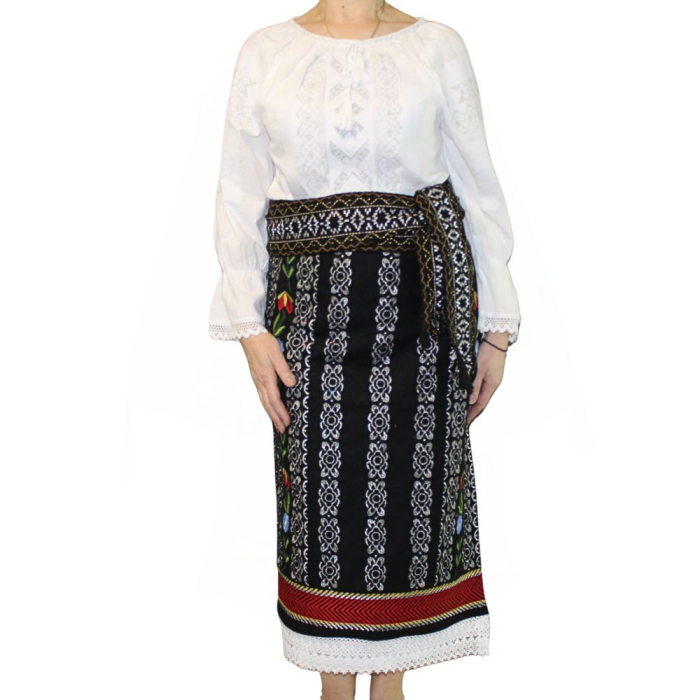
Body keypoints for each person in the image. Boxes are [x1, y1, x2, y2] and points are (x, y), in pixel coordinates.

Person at [208, 2, 521, 698]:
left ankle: (390, 688)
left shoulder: (436, 46)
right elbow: (237, 196)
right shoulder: (266, 52)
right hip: (307, 321)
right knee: (324, 525)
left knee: (408, 516)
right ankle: (333, 689)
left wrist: (497, 327)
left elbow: (478, 187)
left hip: (419, 317)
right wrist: (250, 331)